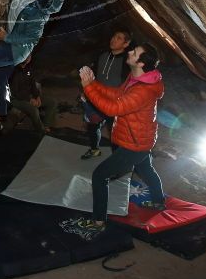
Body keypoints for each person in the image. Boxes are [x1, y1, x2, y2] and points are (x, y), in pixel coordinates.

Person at [70, 44, 166, 236]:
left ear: (140, 62)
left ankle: (98, 222)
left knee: (100, 175)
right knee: (145, 168)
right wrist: (94, 84)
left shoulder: (143, 90)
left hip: (135, 144)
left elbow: (113, 109)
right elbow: (118, 95)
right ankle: (158, 202)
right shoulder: (137, 78)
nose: (129, 52)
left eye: (134, 53)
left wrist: (89, 88)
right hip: (141, 139)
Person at [79, 28, 132, 159]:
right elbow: (93, 77)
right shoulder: (102, 55)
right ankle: (94, 149)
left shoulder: (128, 61)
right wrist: (86, 92)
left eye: (119, 38)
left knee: (114, 133)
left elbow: (128, 84)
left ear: (126, 44)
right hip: (96, 99)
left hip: (114, 103)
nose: (113, 39)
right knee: (92, 125)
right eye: (113, 36)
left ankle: (116, 162)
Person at [4, 54, 57, 134]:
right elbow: (15, 92)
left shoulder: (28, 69)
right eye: (26, 55)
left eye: (29, 56)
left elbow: (33, 85)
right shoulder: (14, 71)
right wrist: (30, 100)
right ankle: (41, 130)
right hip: (15, 99)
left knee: (52, 102)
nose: (28, 57)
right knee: (34, 110)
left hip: (29, 96)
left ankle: (46, 125)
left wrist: (37, 96)